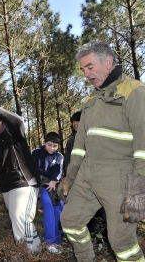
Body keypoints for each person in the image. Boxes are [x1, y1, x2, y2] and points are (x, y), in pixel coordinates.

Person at [58, 40, 145, 261]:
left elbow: (143, 146)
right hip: (87, 175)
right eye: (83, 69)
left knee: (122, 243)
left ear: (107, 61)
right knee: (70, 222)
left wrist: (138, 191)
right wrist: (70, 177)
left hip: (119, 177)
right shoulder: (90, 100)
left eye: (89, 67)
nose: (86, 74)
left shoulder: (134, 91)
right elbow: (79, 145)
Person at [0, 95, 41, 253]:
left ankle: (27, 253)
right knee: (19, 220)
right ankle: (34, 251)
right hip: (5, 186)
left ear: (0, 121)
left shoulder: (13, 132)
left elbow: (19, 121)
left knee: (19, 217)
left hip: (24, 181)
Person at [65, 111, 108, 244]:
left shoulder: (97, 137)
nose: (75, 123)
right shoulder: (71, 141)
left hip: (100, 181)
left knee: (102, 211)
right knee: (84, 213)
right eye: (73, 121)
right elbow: (68, 162)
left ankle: (104, 240)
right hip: (80, 183)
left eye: (78, 120)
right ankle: (91, 240)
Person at [31, 132, 64, 254]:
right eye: (49, 145)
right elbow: (29, 168)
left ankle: (58, 240)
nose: (52, 148)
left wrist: (54, 181)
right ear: (45, 142)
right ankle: (49, 242)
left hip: (54, 186)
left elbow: (58, 171)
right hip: (40, 186)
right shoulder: (35, 153)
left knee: (60, 208)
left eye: (55, 146)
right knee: (49, 208)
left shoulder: (59, 156)